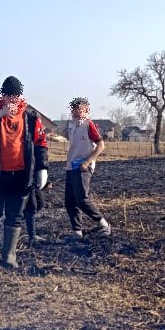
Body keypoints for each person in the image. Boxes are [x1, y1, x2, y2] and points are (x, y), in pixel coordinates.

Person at [0, 76, 48, 268]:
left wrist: (42, 168)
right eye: (8, 95)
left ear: (20, 97)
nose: (11, 99)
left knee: (15, 215)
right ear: (3, 96)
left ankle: (9, 256)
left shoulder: (31, 119)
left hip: (21, 176)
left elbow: (41, 144)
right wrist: (0, 114)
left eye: (15, 96)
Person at [62, 96, 110, 238]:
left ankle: (104, 224)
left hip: (83, 167)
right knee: (70, 201)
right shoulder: (72, 126)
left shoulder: (89, 125)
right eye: (74, 109)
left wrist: (87, 162)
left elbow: (101, 145)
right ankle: (77, 232)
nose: (76, 112)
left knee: (82, 199)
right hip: (71, 166)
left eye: (79, 109)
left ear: (86, 110)